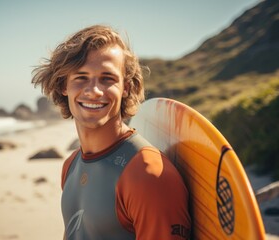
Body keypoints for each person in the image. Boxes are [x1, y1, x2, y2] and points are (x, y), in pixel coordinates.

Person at [32, 25, 191, 239]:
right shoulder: (71, 165)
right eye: (81, 77)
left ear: (125, 87)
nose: (94, 91)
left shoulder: (146, 173)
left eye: (107, 78)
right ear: (63, 85)